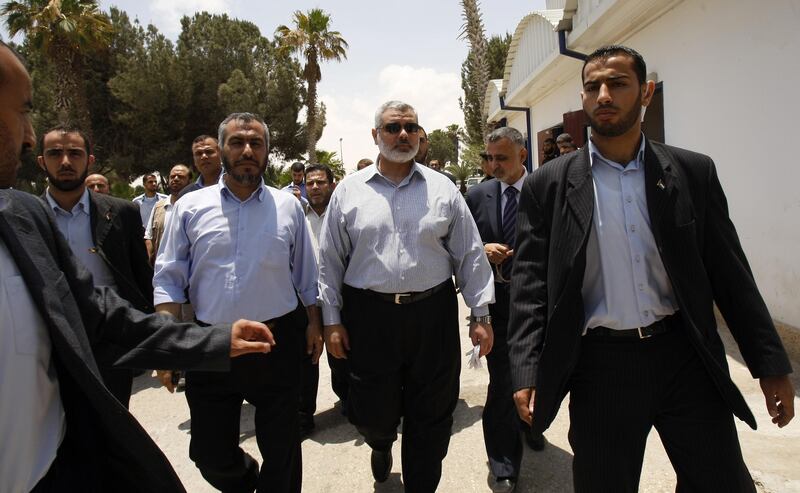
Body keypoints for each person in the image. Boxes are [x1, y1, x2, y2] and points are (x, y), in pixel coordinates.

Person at [508, 45, 794, 493]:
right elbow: (529, 287)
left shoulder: (691, 172)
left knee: (722, 483)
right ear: (582, 99)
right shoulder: (550, 184)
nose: (604, 95)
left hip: (686, 356)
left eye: (618, 84)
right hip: (600, 368)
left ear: (646, 91)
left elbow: (730, 273)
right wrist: (526, 370)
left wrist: (770, 363)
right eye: (592, 86)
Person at [0, 40, 275, 493]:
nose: (29, 137)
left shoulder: (21, 217)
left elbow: (103, 316)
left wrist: (213, 339)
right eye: (22, 112)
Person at [319, 100, 495, 491]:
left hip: (432, 313)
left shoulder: (443, 189)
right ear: (375, 135)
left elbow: (469, 252)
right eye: (393, 127)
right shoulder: (348, 193)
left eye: (411, 127)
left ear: (419, 135)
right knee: (371, 411)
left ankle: (421, 483)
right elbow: (329, 260)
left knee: (432, 413)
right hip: (369, 317)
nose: (403, 135)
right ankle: (380, 443)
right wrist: (332, 321)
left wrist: (481, 316)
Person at [153, 112, 323, 493]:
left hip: (276, 344)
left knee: (283, 451)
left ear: (267, 152)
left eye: (256, 143)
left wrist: (315, 323)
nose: (247, 150)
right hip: (211, 345)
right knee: (209, 455)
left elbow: (307, 277)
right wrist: (165, 346)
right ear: (223, 149)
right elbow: (168, 279)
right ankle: (248, 481)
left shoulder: (288, 206)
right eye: (237, 142)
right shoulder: (190, 208)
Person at [37, 124, 154, 408]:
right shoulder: (27, 216)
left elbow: (141, 278)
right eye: (55, 153)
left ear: (89, 160)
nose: (65, 161)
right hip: (52, 344)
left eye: (75, 153)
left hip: (111, 340)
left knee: (114, 424)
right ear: (42, 161)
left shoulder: (123, 212)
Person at [465, 127, 543, 493]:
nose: (494, 165)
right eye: (490, 158)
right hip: (496, 308)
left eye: (503, 158)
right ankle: (503, 463)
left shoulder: (546, 189)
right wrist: (481, 248)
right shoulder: (476, 196)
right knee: (502, 383)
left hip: (540, 307)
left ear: (523, 156)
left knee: (534, 377)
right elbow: (459, 247)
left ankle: (531, 424)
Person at [297, 163, 348, 435]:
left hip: (339, 298)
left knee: (342, 356)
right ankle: (304, 415)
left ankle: (350, 403)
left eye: (320, 182)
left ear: (331, 184)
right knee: (307, 360)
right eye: (310, 182)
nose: (315, 187)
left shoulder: (342, 214)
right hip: (305, 300)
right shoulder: (296, 216)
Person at [144, 164, 191, 265]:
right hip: (162, 270)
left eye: (181, 177)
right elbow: (149, 237)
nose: (176, 179)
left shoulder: (196, 205)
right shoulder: (158, 207)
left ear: (189, 181)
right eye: (172, 176)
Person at [179, 134, 222, 199]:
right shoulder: (186, 194)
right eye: (198, 153)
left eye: (209, 152)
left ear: (221, 154)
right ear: (194, 160)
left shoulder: (237, 184)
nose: (204, 156)